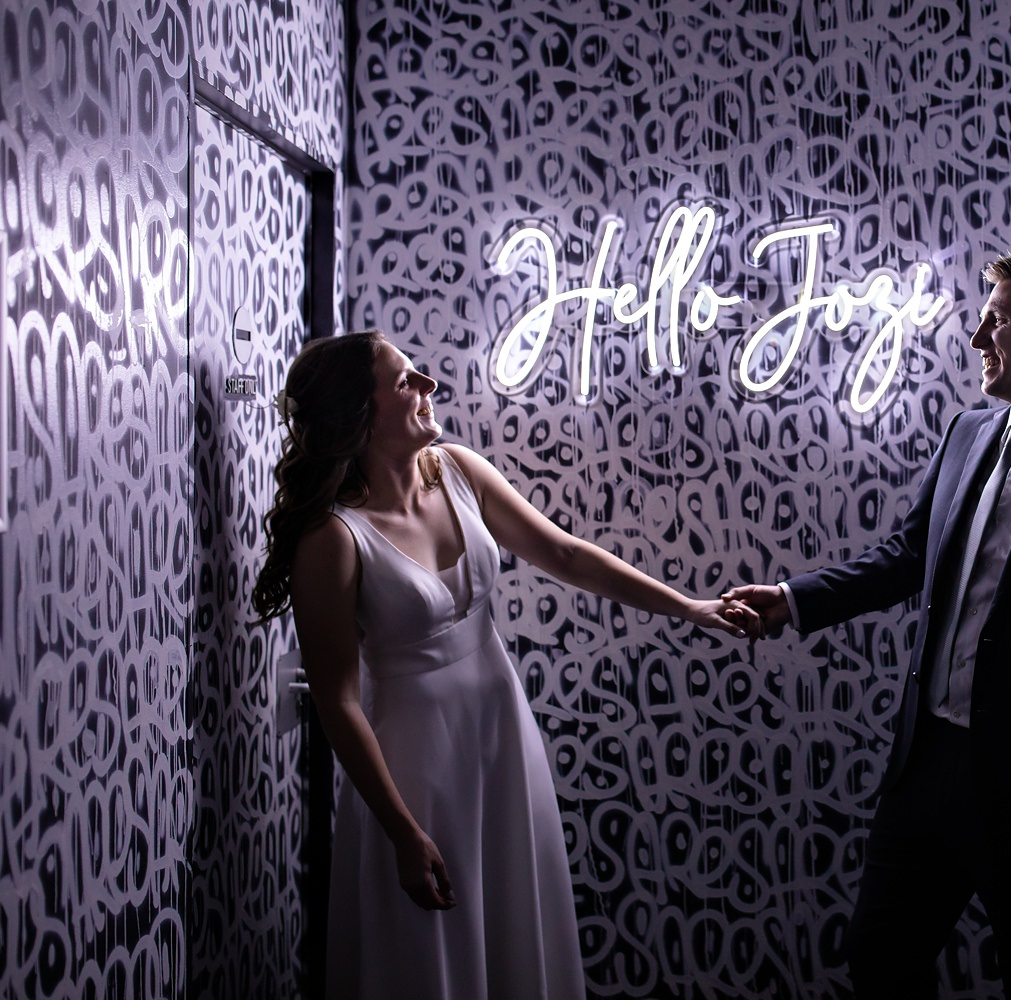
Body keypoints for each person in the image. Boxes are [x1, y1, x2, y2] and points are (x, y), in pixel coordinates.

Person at [725, 252, 1011, 999]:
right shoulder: (969, 435)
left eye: (999, 319)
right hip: (927, 765)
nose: (978, 337)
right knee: (878, 965)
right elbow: (910, 555)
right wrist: (794, 598)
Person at [250, 330, 754, 999]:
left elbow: (568, 556)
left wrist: (690, 608)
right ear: (358, 414)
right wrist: (401, 831)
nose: (428, 386)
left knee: (515, 924)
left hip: (501, 739)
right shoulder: (333, 539)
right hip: (414, 767)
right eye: (406, 380)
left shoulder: (458, 471)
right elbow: (339, 701)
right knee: (430, 954)